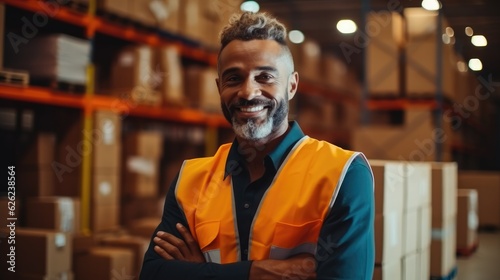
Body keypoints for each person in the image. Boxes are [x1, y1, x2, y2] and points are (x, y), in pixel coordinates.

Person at [140, 11, 374, 280]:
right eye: (233, 78)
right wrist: (256, 272)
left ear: (292, 85)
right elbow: (154, 274)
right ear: (219, 88)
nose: (248, 92)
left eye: (264, 77)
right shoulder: (190, 180)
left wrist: (200, 271)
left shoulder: (342, 174)